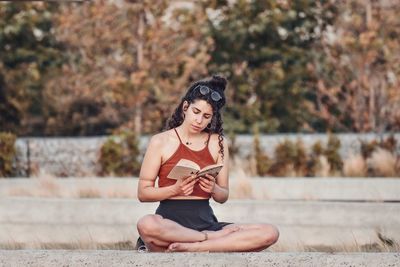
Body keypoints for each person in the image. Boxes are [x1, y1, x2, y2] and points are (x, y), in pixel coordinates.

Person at [136, 75, 279, 252]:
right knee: (146, 224)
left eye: (206, 116)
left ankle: (194, 247)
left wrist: (213, 188)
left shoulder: (217, 142)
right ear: (185, 107)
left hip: (206, 223)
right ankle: (206, 241)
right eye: (196, 112)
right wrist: (175, 190)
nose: (199, 121)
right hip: (169, 226)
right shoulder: (160, 141)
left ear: (212, 118)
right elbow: (143, 193)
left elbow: (223, 196)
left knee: (269, 232)